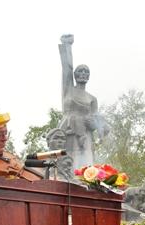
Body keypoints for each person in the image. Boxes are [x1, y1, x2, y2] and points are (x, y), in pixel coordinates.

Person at [57, 34, 109, 170]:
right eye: (80, 71)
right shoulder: (68, 89)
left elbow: (96, 121)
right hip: (68, 131)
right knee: (67, 163)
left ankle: (85, 183)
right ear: (75, 75)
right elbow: (66, 69)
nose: (83, 74)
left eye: (86, 72)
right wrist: (67, 46)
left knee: (85, 166)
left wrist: (96, 126)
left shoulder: (92, 99)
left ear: (89, 76)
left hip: (85, 137)